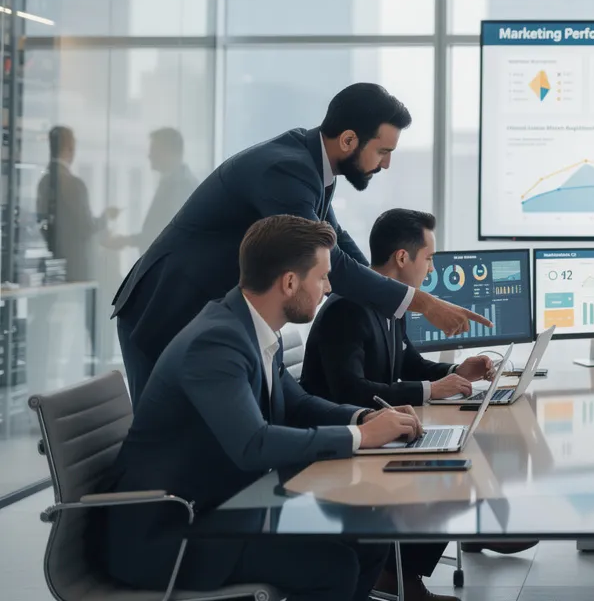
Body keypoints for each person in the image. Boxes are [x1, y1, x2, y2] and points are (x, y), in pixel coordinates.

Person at [103, 215, 428, 601]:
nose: (328, 288)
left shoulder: (247, 326)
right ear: (290, 282)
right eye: (322, 277)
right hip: (169, 536)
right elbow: (253, 445)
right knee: (333, 567)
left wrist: (364, 418)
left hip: (222, 507)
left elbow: (298, 402)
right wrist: (361, 437)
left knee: (371, 532)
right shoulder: (216, 343)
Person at [111, 83, 491, 405]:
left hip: (198, 308)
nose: (385, 164)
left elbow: (338, 244)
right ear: (348, 140)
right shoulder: (287, 171)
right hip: (165, 306)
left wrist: (389, 288)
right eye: (383, 152)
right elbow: (328, 262)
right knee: (166, 432)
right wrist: (422, 302)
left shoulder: (314, 170)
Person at [302, 208, 537, 600]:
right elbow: (350, 390)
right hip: (347, 442)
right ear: (402, 258)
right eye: (428, 258)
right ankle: (399, 577)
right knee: (450, 470)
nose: (431, 269)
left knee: (465, 453)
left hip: (377, 429)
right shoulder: (347, 308)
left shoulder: (393, 307)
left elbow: (407, 361)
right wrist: (430, 390)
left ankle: (459, 541)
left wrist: (458, 370)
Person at [37, 126, 120, 282]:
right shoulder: (73, 184)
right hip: (77, 267)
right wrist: (105, 217)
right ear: (70, 148)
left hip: (55, 263)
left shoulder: (44, 182)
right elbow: (86, 227)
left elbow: (42, 223)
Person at [106, 127, 199, 253]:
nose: (149, 155)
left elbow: (164, 234)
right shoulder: (172, 182)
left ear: (170, 152)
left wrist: (128, 241)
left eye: (154, 150)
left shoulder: (182, 186)